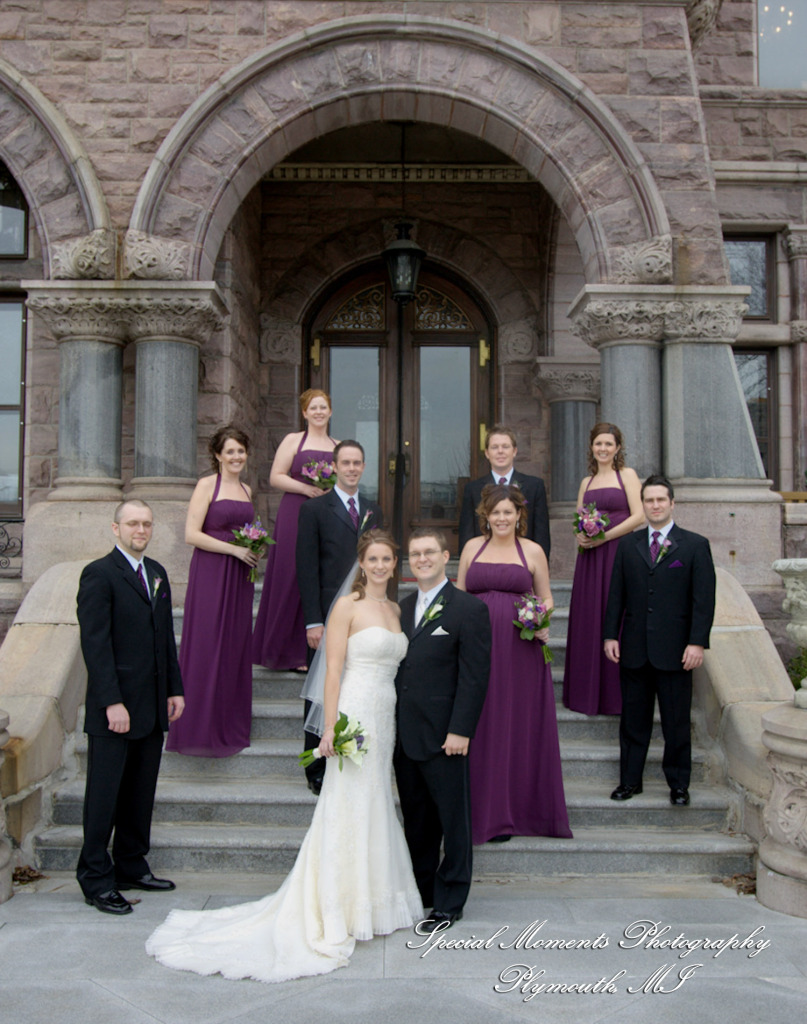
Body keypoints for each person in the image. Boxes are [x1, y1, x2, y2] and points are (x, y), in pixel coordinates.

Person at [146, 530, 423, 983]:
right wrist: (329, 728)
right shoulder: (346, 607)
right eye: (371, 559)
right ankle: (336, 905)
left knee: (375, 800)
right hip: (353, 710)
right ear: (362, 562)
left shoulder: (395, 610)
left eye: (386, 560)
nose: (378, 566)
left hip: (385, 714)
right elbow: (332, 670)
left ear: (395, 565)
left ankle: (374, 898)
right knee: (346, 802)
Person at [76, 499, 184, 915]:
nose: (141, 529)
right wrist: (111, 702)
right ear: (115, 528)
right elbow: (96, 645)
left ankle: (131, 865)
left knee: (140, 792)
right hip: (115, 709)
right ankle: (95, 878)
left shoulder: (155, 573)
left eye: (147, 524)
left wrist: (174, 689)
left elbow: (163, 638)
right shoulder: (99, 575)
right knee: (104, 796)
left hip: (152, 705)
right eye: (133, 523)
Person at [457, 484, 571, 844]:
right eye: (495, 513)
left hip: (521, 650)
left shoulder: (533, 551)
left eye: (508, 512)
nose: (502, 518)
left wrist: (541, 619)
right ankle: (482, 811)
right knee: (483, 720)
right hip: (478, 649)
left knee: (517, 724)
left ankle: (518, 811)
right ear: (485, 517)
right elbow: (460, 595)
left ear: (519, 515)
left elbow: (547, 596)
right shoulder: (472, 548)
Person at [394, 527, 491, 932]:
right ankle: (424, 893)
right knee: (417, 821)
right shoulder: (400, 608)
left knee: (453, 822)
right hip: (407, 736)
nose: (422, 559)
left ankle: (450, 901)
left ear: (446, 556)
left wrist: (461, 730)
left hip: (447, 736)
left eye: (429, 552)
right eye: (415, 554)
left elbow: (474, 677)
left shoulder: (468, 610)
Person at [603, 474, 716, 806]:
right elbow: (616, 595)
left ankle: (679, 784)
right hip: (634, 649)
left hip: (676, 651)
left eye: (660, 500)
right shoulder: (628, 545)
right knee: (633, 722)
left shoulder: (695, 545)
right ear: (643, 504)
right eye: (649, 500)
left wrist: (697, 642)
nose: (654, 506)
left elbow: (703, 600)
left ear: (672, 503)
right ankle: (630, 781)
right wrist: (611, 634)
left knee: (676, 723)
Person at [166, 426, 259, 758]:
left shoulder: (247, 489)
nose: (236, 457)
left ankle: (227, 723)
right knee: (207, 642)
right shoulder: (207, 485)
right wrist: (233, 550)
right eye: (230, 451)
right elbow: (191, 534)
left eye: (241, 451)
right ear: (218, 455)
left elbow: (248, 531)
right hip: (211, 572)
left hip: (240, 577)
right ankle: (196, 728)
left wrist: (253, 547)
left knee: (234, 645)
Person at [296, 439, 383, 793]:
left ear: (364, 466)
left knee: (356, 686)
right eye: (345, 462)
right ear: (334, 466)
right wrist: (313, 620)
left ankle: (352, 752)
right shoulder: (315, 510)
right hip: (327, 616)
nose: (351, 468)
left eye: (357, 462)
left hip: (364, 615)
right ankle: (315, 767)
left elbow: (381, 562)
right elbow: (306, 568)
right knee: (320, 691)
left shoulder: (374, 510)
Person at [252, 389, 337, 672]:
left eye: (323, 407)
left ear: (330, 411)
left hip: (326, 512)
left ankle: (311, 649)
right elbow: (275, 477)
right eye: (313, 408)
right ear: (304, 413)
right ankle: (283, 650)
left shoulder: (337, 445)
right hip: (295, 512)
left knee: (319, 573)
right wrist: (306, 488)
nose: (318, 412)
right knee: (291, 573)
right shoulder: (293, 441)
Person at [563, 423, 644, 716]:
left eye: (609, 444)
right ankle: (585, 693)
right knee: (589, 616)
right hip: (590, 560)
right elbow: (578, 518)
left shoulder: (628, 476)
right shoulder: (587, 481)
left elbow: (640, 516)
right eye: (598, 444)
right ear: (592, 447)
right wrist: (581, 536)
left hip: (619, 554)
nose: (603, 449)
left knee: (615, 613)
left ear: (618, 448)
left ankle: (615, 696)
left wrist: (603, 537)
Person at [458, 425, 550, 558]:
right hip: (484, 561)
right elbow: (466, 534)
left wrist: (540, 568)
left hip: (522, 561)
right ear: (487, 453)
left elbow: (542, 535)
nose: (500, 451)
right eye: (494, 447)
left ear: (514, 451)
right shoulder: (472, 489)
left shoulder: (534, 486)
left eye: (505, 446)